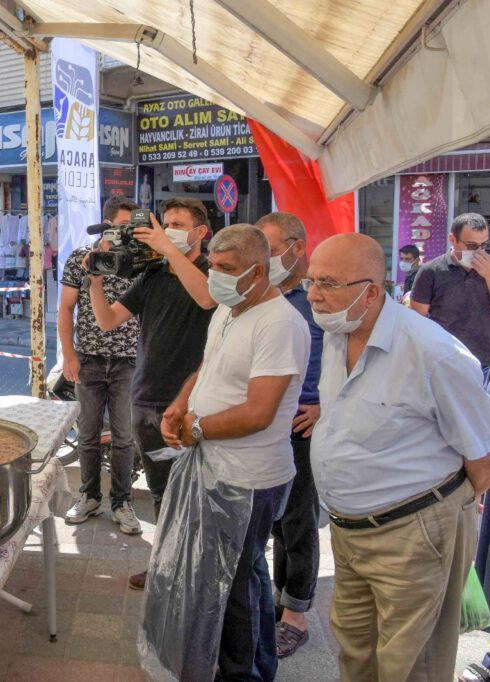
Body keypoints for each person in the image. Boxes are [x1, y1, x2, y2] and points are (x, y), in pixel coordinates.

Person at [308, 233, 490, 682]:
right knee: (356, 656)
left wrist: (436, 515)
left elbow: (485, 461)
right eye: (311, 280)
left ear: (371, 292)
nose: (313, 294)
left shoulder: (434, 353)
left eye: (328, 282)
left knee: (411, 668)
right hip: (348, 533)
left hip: (413, 535)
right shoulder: (338, 333)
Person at [155, 224, 309, 681]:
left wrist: (197, 427)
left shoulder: (280, 324)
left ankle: (243, 672)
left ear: (258, 272)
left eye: (225, 268)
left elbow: (260, 412)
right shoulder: (229, 307)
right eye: (212, 266)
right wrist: (181, 403)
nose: (215, 276)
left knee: (236, 584)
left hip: (250, 478)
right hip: (215, 467)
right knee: (235, 574)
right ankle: (246, 664)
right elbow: (210, 364)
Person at [86, 197, 216, 590]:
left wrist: (165, 249)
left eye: (177, 224)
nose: (167, 230)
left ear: (200, 232)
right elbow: (108, 321)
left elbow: (206, 298)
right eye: (166, 223)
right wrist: (95, 281)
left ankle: (198, 575)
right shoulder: (154, 275)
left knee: (195, 496)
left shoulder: (211, 272)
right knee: (161, 494)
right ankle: (166, 567)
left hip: (189, 406)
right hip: (145, 401)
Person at [256, 212, 324, 658]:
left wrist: (324, 404)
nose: (265, 259)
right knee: (276, 520)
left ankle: (296, 614)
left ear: (297, 247)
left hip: (303, 422)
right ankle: (280, 601)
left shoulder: (319, 295)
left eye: (272, 249)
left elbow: (350, 354)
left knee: (298, 521)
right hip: (267, 422)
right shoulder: (262, 294)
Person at [59, 196, 143, 535]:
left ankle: (122, 503)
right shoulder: (81, 258)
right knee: (88, 436)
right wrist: (69, 355)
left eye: (132, 227)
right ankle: (90, 497)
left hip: (129, 361)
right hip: (89, 360)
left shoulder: (139, 260)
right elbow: (66, 309)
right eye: (123, 226)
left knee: (124, 437)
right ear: (106, 225)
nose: (128, 233)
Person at [410, 212, 490, 382]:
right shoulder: (431, 271)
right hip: (446, 363)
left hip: (488, 364)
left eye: (483, 245)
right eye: (471, 246)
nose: (479, 252)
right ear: (453, 239)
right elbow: (416, 321)